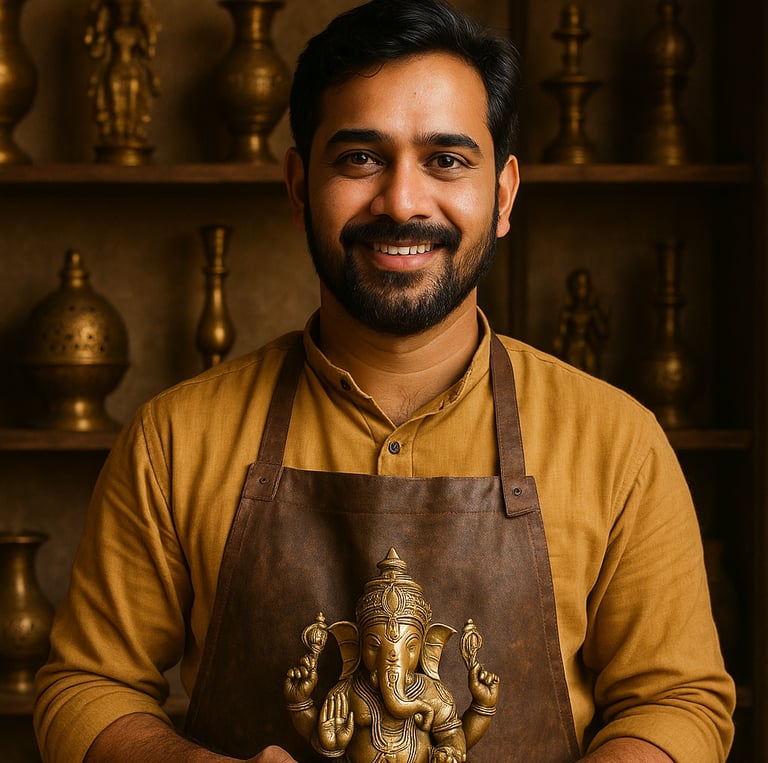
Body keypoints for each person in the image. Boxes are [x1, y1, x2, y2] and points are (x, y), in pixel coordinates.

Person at [34, 1, 735, 762]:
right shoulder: (174, 438)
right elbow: (86, 686)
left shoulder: (618, 443)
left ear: (503, 195)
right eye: (360, 158)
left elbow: (677, 703)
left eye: (447, 160)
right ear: (299, 187)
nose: (402, 202)